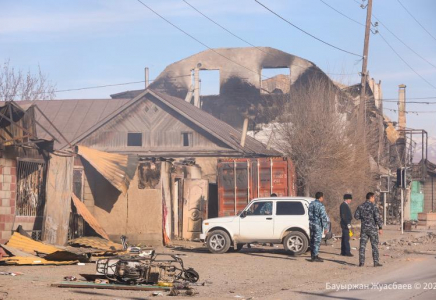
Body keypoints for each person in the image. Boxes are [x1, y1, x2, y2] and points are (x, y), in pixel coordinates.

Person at [354, 192, 383, 267]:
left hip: (364, 229)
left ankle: (361, 262)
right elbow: (377, 217)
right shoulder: (374, 206)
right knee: (374, 246)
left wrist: (363, 218)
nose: (374, 199)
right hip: (372, 229)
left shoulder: (361, 206)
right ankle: (376, 262)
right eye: (374, 197)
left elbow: (356, 216)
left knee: (362, 246)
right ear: (372, 197)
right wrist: (380, 227)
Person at [308, 192, 328, 262]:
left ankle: (312, 256)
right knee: (317, 241)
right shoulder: (320, 205)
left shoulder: (311, 204)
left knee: (312, 240)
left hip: (311, 224)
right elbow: (323, 217)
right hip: (318, 225)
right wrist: (326, 227)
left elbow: (309, 214)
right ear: (321, 197)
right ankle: (315, 256)